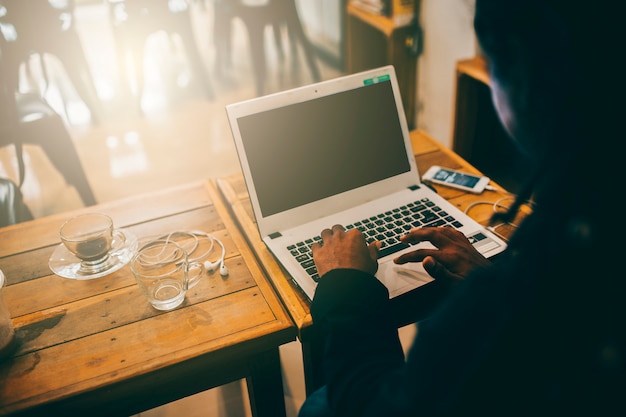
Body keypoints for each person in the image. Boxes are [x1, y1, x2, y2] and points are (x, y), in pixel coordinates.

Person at [298, 1, 625, 416]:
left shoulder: (512, 290)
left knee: (319, 407)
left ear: (518, 74)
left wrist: (346, 284)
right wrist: (490, 274)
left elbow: (377, 405)